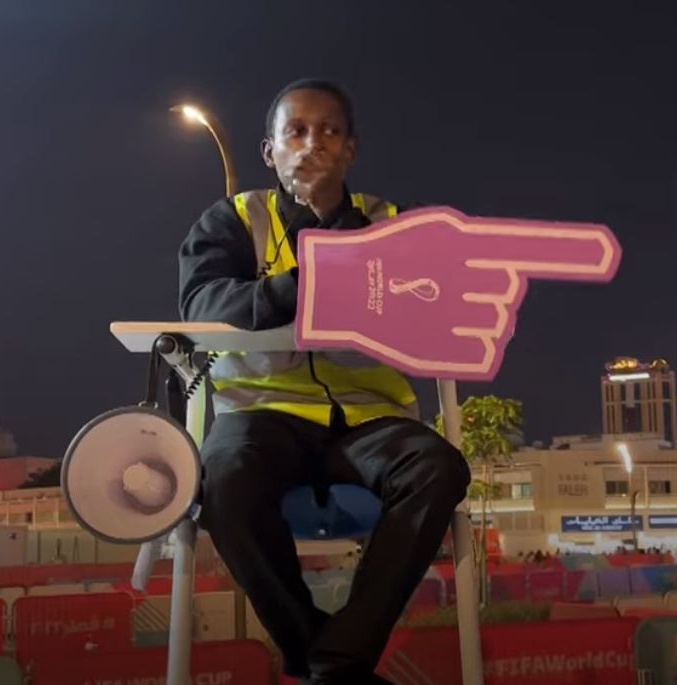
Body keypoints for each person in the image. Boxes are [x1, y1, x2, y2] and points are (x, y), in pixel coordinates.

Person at [178, 79, 471, 685]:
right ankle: (331, 661)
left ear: (352, 150)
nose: (313, 144)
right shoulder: (231, 219)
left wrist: (335, 227)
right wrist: (300, 286)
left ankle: (332, 663)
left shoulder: (389, 224)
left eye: (329, 131)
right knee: (221, 479)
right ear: (270, 151)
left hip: (369, 418)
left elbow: (424, 305)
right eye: (297, 131)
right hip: (262, 415)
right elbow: (205, 303)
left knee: (440, 467)